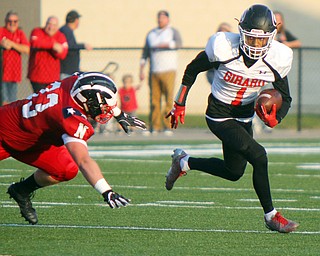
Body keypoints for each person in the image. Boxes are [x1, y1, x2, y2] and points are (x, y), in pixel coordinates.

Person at [165, 4, 299, 233]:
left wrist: (277, 118)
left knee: (234, 172)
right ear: (241, 32)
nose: (256, 45)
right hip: (219, 114)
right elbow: (192, 69)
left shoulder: (278, 57)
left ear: (272, 37)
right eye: (251, 39)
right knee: (259, 156)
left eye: (261, 40)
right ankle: (271, 216)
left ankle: (184, 161)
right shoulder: (223, 47)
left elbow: (285, 97)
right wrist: (179, 102)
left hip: (244, 116)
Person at [1, 71, 147, 224]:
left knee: (66, 169)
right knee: (74, 163)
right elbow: (83, 160)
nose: (106, 110)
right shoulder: (70, 116)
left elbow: (92, 82)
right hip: (5, 132)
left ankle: (21, 190)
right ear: (88, 101)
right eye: (103, 107)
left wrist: (119, 113)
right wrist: (107, 191)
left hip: (35, 140)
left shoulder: (74, 83)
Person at [139, 10, 182, 134]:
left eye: (163, 18)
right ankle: (155, 126)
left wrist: (166, 45)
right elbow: (145, 53)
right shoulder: (151, 34)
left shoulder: (172, 32)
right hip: (154, 70)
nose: (160, 20)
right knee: (154, 100)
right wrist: (141, 69)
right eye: (159, 18)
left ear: (167, 20)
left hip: (168, 69)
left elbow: (179, 44)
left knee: (168, 99)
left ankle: (167, 126)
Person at [28, 16, 68, 93]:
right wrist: (53, 45)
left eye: (54, 25)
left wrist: (56, 49)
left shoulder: (60, 36)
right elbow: (35, 43)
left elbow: (63, 54)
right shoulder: (37, 31)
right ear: (45, 24)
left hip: (52, 78)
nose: (51, 27)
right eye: (49, 24)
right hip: (37, 76)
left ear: (57, 27)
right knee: (38, 101)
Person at [0, 11, 29, 105]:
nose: (12, 23)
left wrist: (12, 44)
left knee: (12, 103)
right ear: (5, 21)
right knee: (3, 102)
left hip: (14, 74)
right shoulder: (1, 31)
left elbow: (27, 49)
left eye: (15, 21)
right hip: (2, 74)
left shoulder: (19, 33)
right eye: (10, 21)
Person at [60, 10, 92, 79]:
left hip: (69, 70)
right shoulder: (66, 31)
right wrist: (83, 45)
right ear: (76, 20)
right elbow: (69, 46)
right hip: (67, 71)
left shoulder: (67, 30)